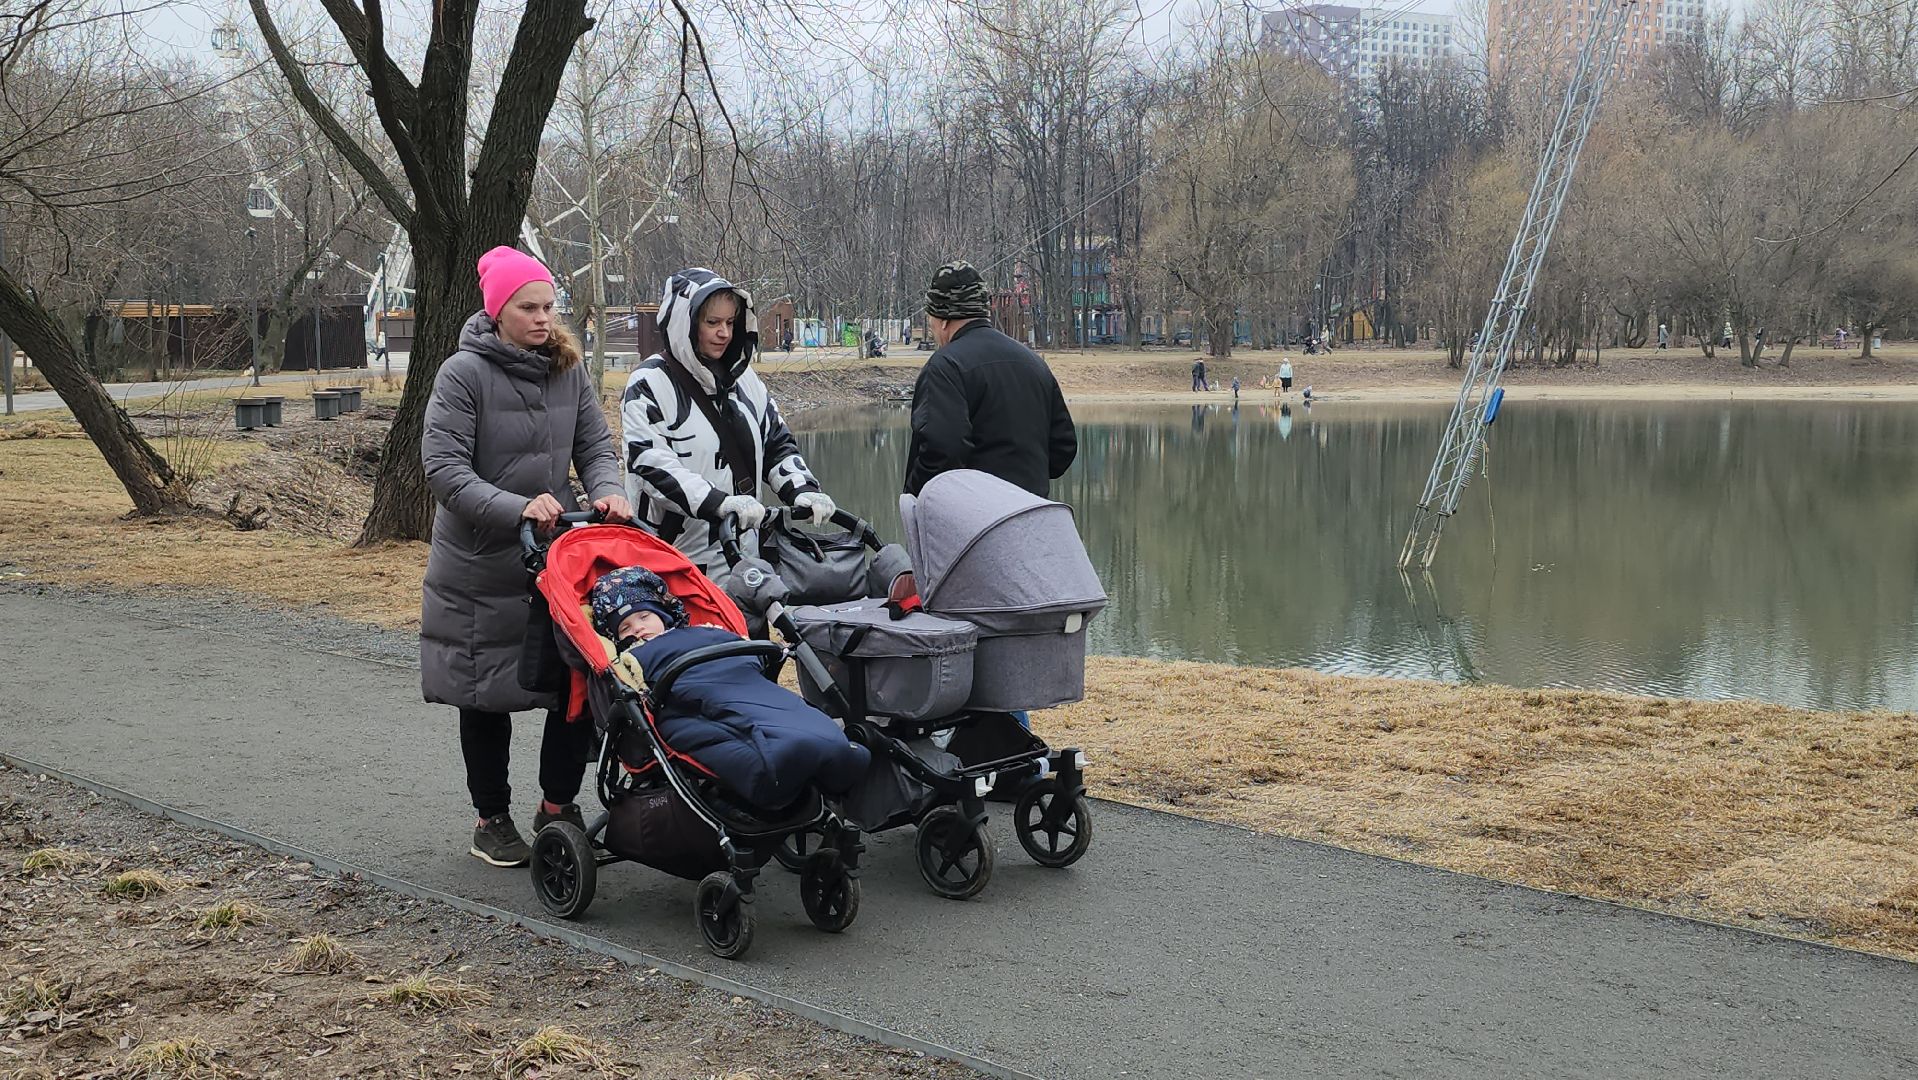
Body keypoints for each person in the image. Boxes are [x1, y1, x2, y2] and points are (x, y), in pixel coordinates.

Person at [421, 245, 634, 868]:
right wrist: (515, 506)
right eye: (529, 307)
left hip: (555, 560)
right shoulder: (461, 375)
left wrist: (609, 492)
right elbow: (444, 471)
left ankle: (557, 807)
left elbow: (595, 445)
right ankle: (490, 819)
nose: (544, 319)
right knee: (484, 692)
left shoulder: (567, 369)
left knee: (575, 680)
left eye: (549, 306)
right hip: (478, 565)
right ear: (497, 311)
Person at [619, 268, 837, 580]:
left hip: (742, 559)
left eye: (730, 322)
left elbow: (775, 442)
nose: (724, 333)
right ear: (686, 324)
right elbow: (652, 466)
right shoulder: (649, 384)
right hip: (672, 566)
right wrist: (719, 504)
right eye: (712, 323)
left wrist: (801, 489)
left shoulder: (745, 380)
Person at [905, 261, 1077, 499]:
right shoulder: (1033, 363)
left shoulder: (945, 366)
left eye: (930, 320)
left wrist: (912, 499)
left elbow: (942, 453)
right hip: (1032, 519)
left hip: (973, 525)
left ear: (943, 318)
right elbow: (1062, 451)